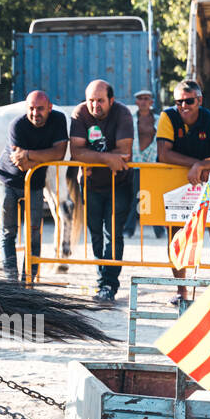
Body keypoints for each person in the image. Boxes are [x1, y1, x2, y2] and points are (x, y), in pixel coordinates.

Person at [157, 79, 210, 301]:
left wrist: (202, 165)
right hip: (175, 184)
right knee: (176, 238)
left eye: (189, 101)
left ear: (199, 100)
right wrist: (197, 164)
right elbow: (164, 153)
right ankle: (181, 291)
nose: (183, 106)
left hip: (201, 179)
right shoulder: (167, 117)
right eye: (179, 101)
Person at [69, 80, 134, 302]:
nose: (95, 105)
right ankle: (102, 280)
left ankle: (109, 284)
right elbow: (76, 152)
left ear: (111, 100)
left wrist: (90, 157)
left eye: (100, 100)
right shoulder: (80, 113)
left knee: (113, 234)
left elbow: (125, 152)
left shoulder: (122, 113)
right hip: (91, 185)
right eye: (91, 100)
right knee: (96, 233)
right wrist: (107, 157)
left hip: (119, 184)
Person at [0, 91, 69, 283]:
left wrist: (28, 153)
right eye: (31, 109)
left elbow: (60, 153)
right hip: (7, 181)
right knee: (8, 231)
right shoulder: (17, 125)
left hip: (34, 183)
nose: (35, 113)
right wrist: (42, 156)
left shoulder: (58, 119)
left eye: (40, 109)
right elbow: (22, 164)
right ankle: (11, 281)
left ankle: (29, 279)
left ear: (50, 108)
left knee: (34, 231)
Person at [124, 89, 165, 239]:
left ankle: (158, 229)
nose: (143, 102)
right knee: (136, 196)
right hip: (136, 163)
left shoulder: (159, 120)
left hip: (152, 163)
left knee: (152, 196)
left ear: (151, 102)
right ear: (136, 102)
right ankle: (130, 228)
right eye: (140, 99)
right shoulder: (131, 119)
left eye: (146, 99)